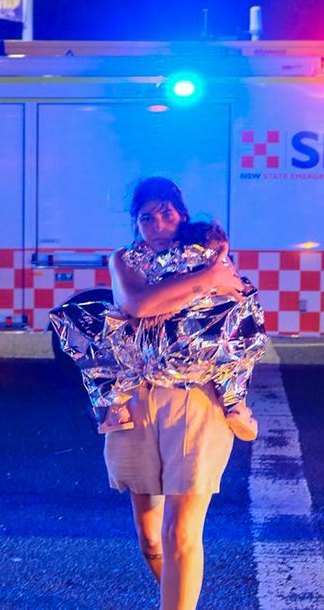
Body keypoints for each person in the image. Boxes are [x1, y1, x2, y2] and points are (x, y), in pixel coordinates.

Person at [101, 177, 257, 609]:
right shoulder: (123, 260)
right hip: (136, 400)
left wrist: (198, 281)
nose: (157, 225)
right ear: (136, 224)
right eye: (146, 218)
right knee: (151, 537)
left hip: (196, 398)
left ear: (182, 215)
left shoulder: (207, 253)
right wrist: (205, 281)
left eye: (166, 213)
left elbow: (237, 306)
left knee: (180, 531)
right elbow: (137, 305)